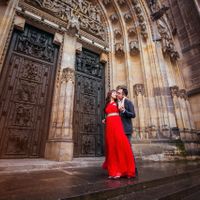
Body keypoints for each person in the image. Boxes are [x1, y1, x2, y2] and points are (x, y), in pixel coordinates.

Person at [102, 90, 136, 179]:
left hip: (117, 125)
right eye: (114, 93)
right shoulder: (107, 104)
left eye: (117, 93)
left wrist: (123, 108)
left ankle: (121, 170)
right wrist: (105, 119)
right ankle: (113, 171)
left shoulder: (119, 103)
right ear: (110, 94)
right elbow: (109, 114)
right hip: (109, 126)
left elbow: (122, 113)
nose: (116, 94)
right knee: (111, 147)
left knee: (119, 145)